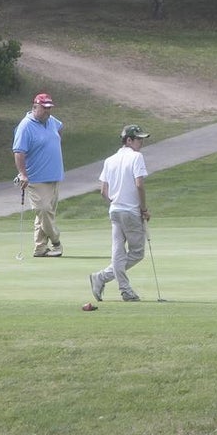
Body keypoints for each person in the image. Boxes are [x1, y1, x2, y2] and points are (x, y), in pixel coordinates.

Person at [90, 125, 152, 303]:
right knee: (137, 253)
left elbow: (103, 191)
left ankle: (102, 279)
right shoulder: (136, 157)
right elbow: (139, 185)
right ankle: (114, 284)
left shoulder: (110, 160)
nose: (141, 142)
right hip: (130, 211)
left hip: (115, 211)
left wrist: (115, 203)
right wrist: (143, 209)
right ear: (129, 140)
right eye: (138, 139)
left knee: (118, 253)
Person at [13, 92, 65, 257]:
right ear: (35, 107)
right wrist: (22, 174)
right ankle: (56, 242)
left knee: (44, 215)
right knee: (43, 211)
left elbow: (60, 128)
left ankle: (40, 248)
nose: (48, 112)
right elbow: (19, 152)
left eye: (49, 108)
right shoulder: (25, 126)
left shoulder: (51, 121)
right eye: (45, 108)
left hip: (55, 175)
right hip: (36, 178)